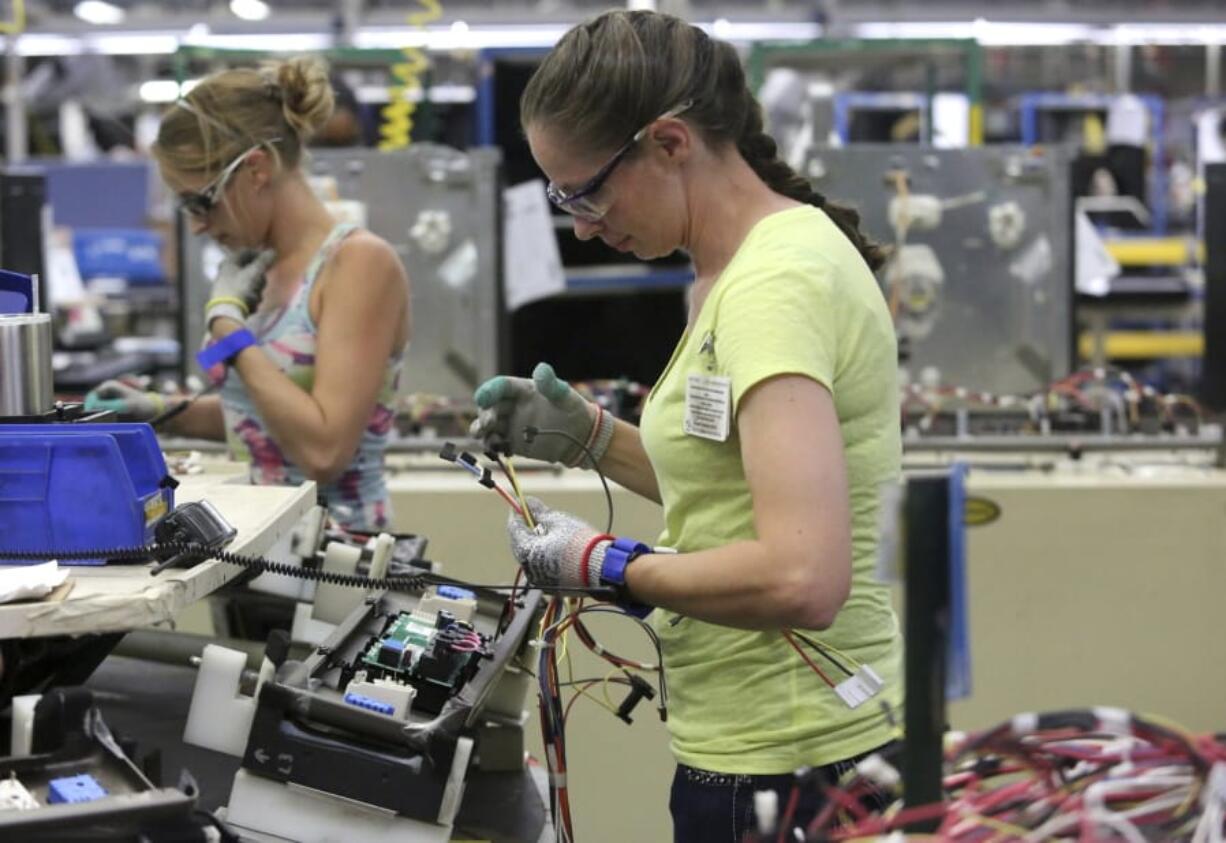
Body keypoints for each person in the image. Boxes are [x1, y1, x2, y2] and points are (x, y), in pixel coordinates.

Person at [470, 11, 903, 842]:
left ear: (669, 143)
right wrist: (593, 435)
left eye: (587, 190)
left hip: (789, 758)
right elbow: (740, 482)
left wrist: (606, 565)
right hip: (767, 743)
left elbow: (802, 576)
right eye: (561, 198)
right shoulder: (729, 273)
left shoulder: (774, 286)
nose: (582, 224)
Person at [87, 57, 410, 532]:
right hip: (255, 554)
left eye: (201, 200)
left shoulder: (357, 264)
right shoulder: (259, 271)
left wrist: (230, 333)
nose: (197, 225)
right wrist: (164, 413)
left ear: (255, 168)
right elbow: (269, 415)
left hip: (339, 570)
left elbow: (323, 450)